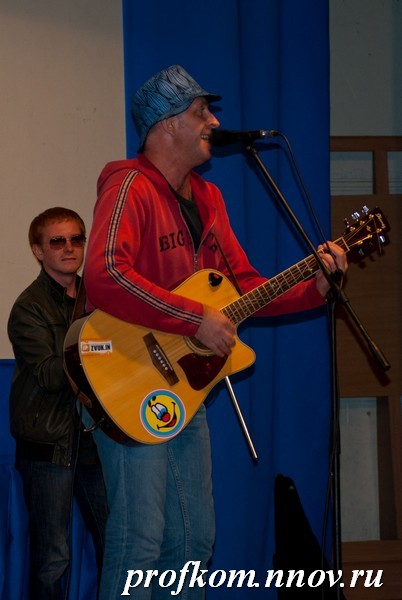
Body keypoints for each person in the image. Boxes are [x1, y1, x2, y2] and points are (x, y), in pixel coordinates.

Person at [82, 64, 348, 599]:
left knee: (194, 541)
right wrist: (194, 319)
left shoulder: (209, 199)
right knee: (140, 541)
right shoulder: (129, 185)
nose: (215, 121)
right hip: (127, 380)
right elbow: (105, 273)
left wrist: (314, 289)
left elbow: (243, 287)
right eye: (201, 112)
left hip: (185, 387)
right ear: (166, 124)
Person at [7, 207, 109, 599]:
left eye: (76, 239)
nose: (69, 248)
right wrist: (98, 347)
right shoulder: (28, 307)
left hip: (97, 441)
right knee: (53, 559)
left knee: (115, 541)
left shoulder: (100, 297)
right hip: (48, 447)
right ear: (38, 250)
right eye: (57, 241)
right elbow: (51, 376)